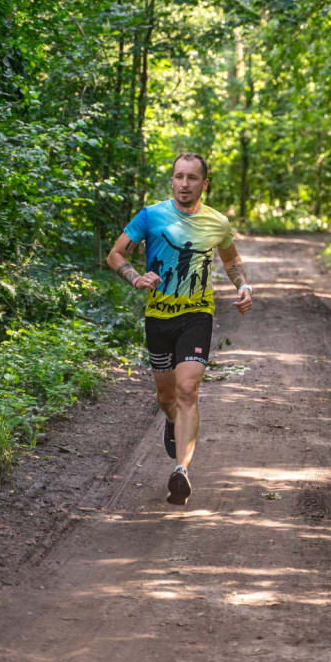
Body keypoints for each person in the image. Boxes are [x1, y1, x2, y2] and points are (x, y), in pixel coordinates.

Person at [107, 152, 253, 505]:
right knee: (167, 397)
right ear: (172, 180)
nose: (184, 184)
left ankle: (181, 471)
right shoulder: (151, 216)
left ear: (204, 184)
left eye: (191, 178)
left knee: (188, 390)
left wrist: (243, 286)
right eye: (178, 177)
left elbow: (230, 258)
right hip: (158, 317)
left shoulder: (217, 222)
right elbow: (115, 255)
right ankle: (173, 423)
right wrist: (136, 277)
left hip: (197, 314)